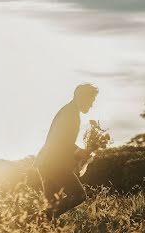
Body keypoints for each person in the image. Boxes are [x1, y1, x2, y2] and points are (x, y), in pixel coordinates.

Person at [35, 83, 98, 220]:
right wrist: (81, 152)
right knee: (79, 195)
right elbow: (63, 142)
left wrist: (80, 153)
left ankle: (30, 227)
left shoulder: (69, 111)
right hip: (53, 164)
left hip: (47, 162)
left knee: (53, 206)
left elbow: (63, 142)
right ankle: (32, 220)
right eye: (90, 100)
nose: (91, 105)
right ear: (80, 96)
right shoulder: (70, 114)